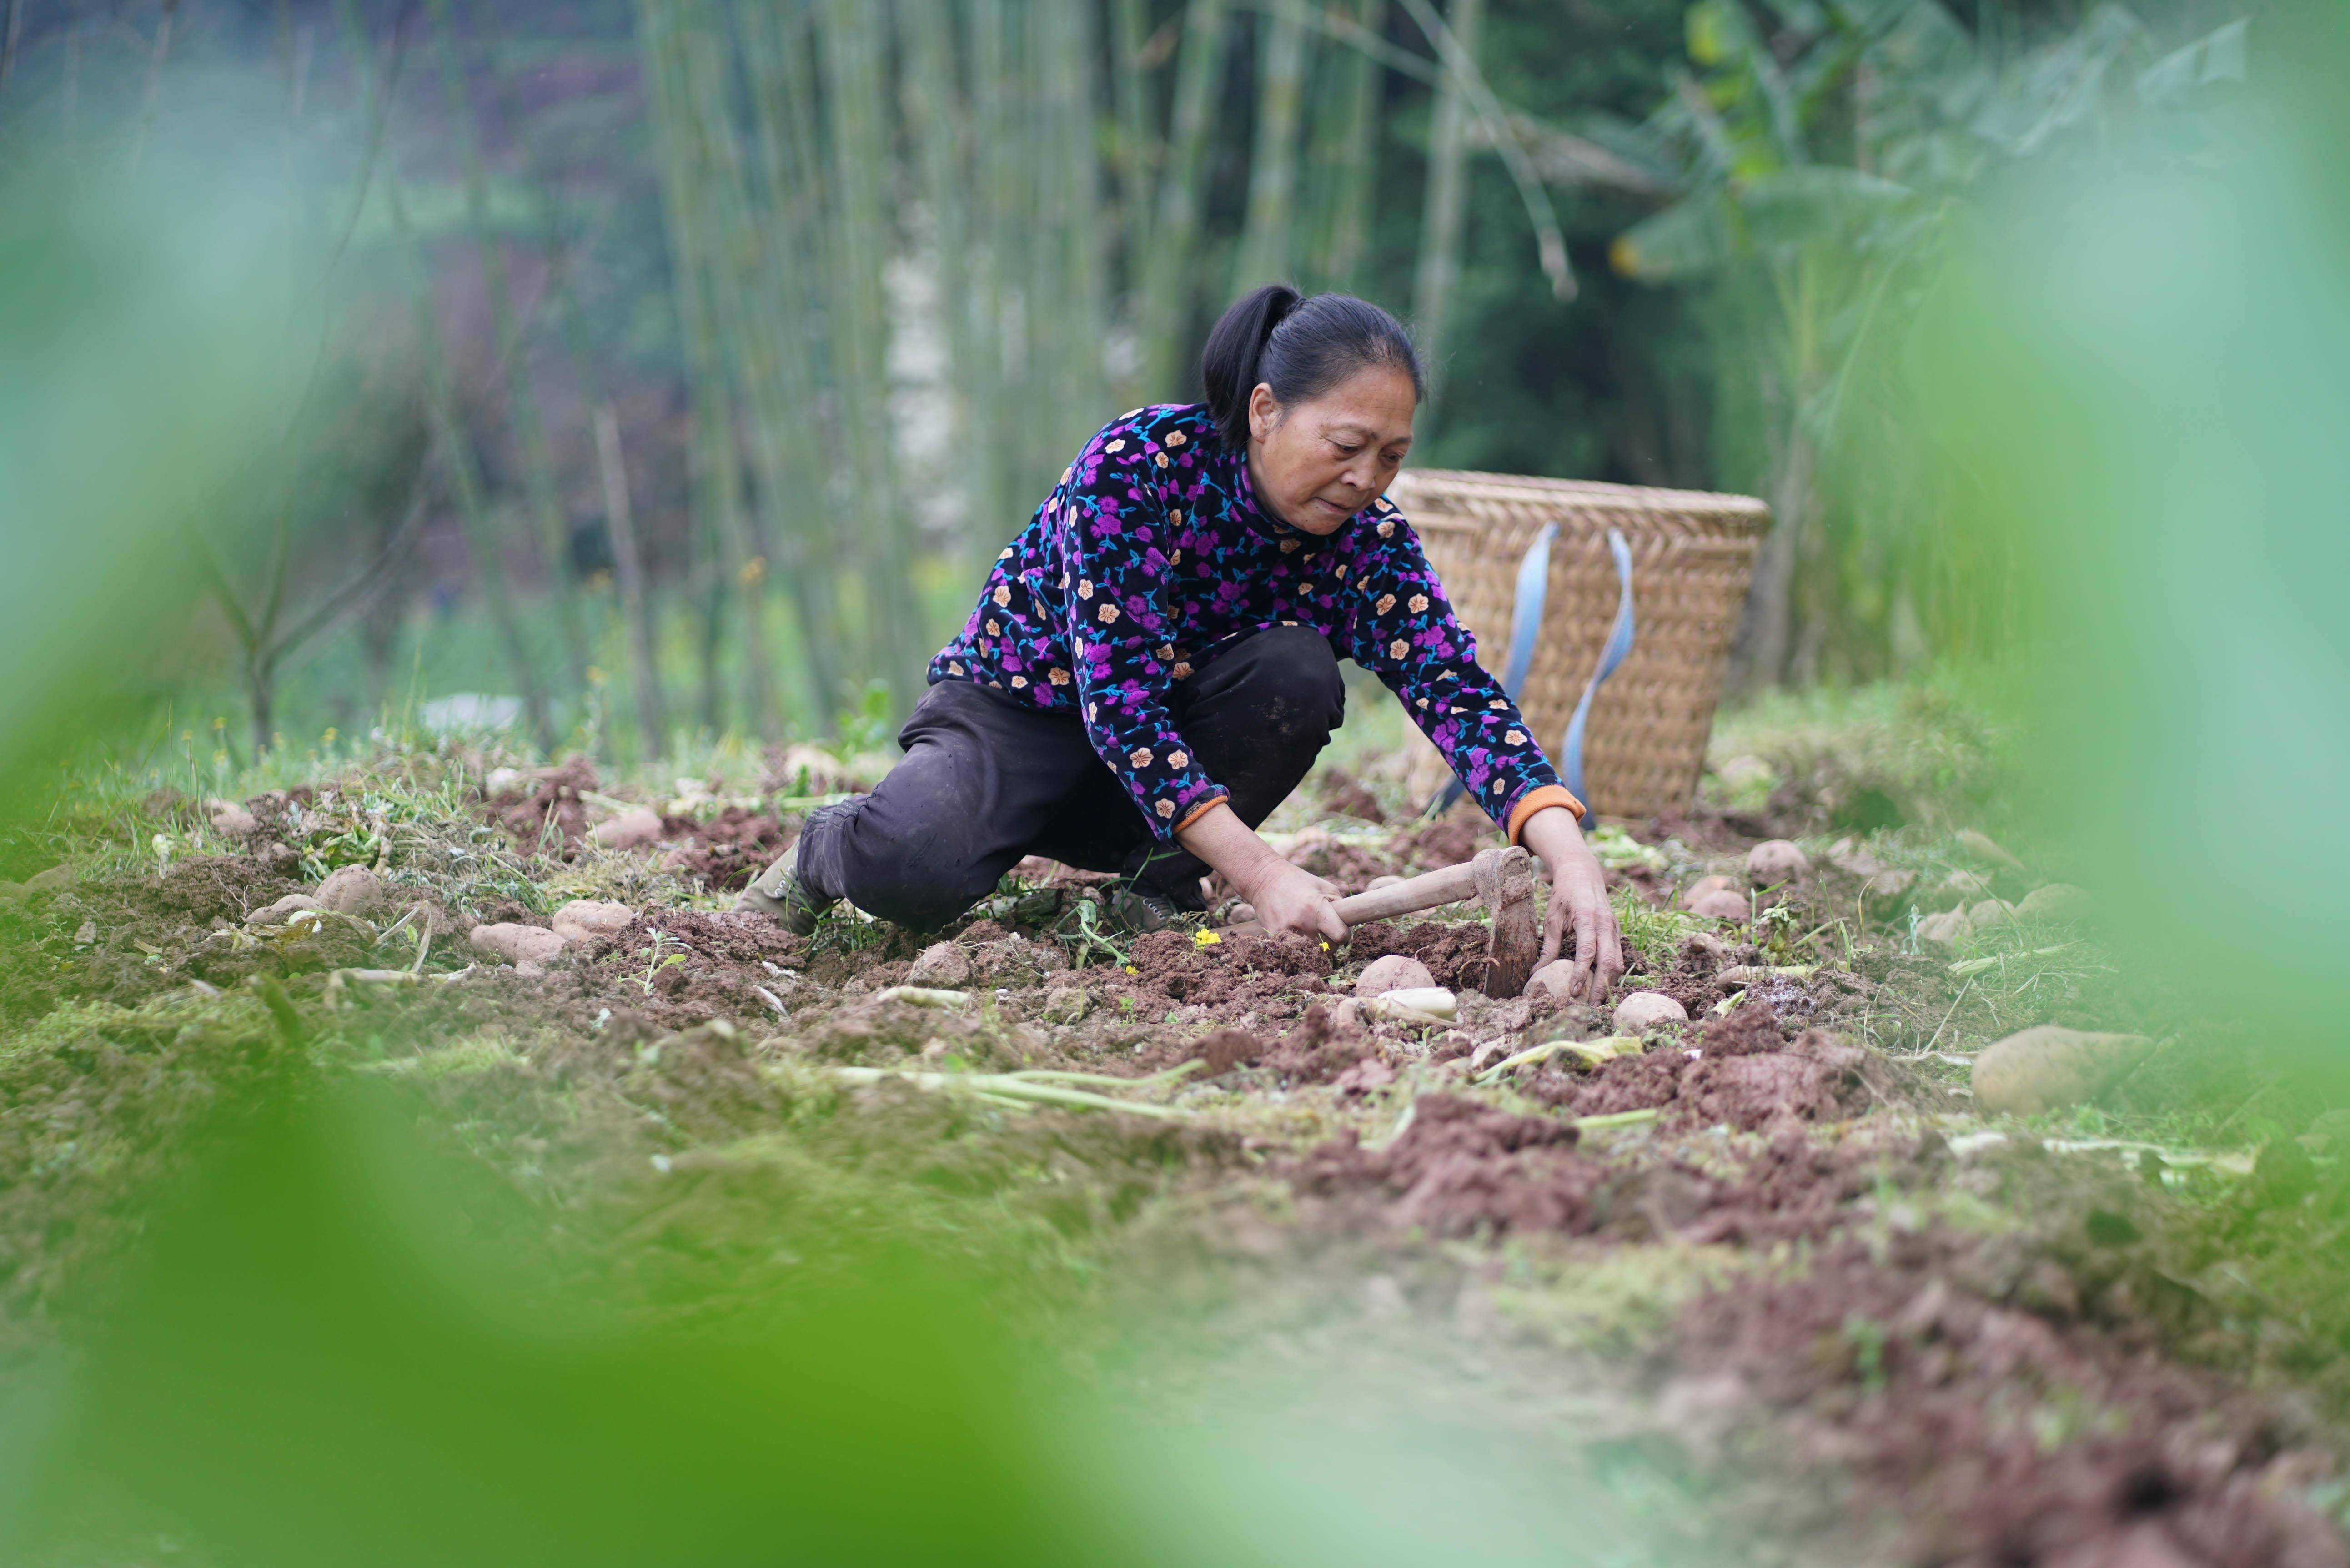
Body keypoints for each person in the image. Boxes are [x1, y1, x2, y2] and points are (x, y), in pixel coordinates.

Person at [741, 284, 1626, 1000]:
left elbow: (1455, 690)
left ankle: (1156, 883)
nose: (1365, 478)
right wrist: (1265, 874)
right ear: (1265, 410)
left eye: (1391, 455)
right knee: (914, 871)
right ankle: (831, 848)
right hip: (1022, 721)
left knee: (1295, 669)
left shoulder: (1370, 544)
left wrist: (1568, 853)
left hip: (1168, 768)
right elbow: (1119, 703)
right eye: (1347, 445)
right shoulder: (1136, 467)